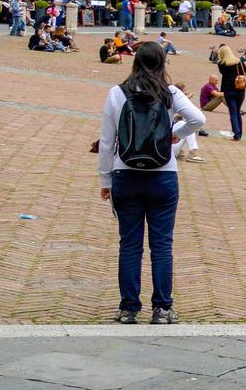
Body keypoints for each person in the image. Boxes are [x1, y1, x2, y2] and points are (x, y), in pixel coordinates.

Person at [97, 44, 206, 324]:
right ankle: (162, 308)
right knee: (162, 244)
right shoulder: (169, 93)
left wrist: (105, 179)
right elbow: (198, 118)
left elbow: (107, 143)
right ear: (162, 63)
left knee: (130, 244)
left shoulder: (116, 93)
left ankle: (129, 308)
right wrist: (176, 133)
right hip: (163, 174)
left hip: (126, 172)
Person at [212, 44, 246, 142]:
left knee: (233, 112)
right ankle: (240, 132)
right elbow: (245, 72)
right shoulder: (239, 61)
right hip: (240, 89)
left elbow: (222, 72)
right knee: (238, 111)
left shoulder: (222, 64)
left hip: (228, 90)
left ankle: (236, 133)